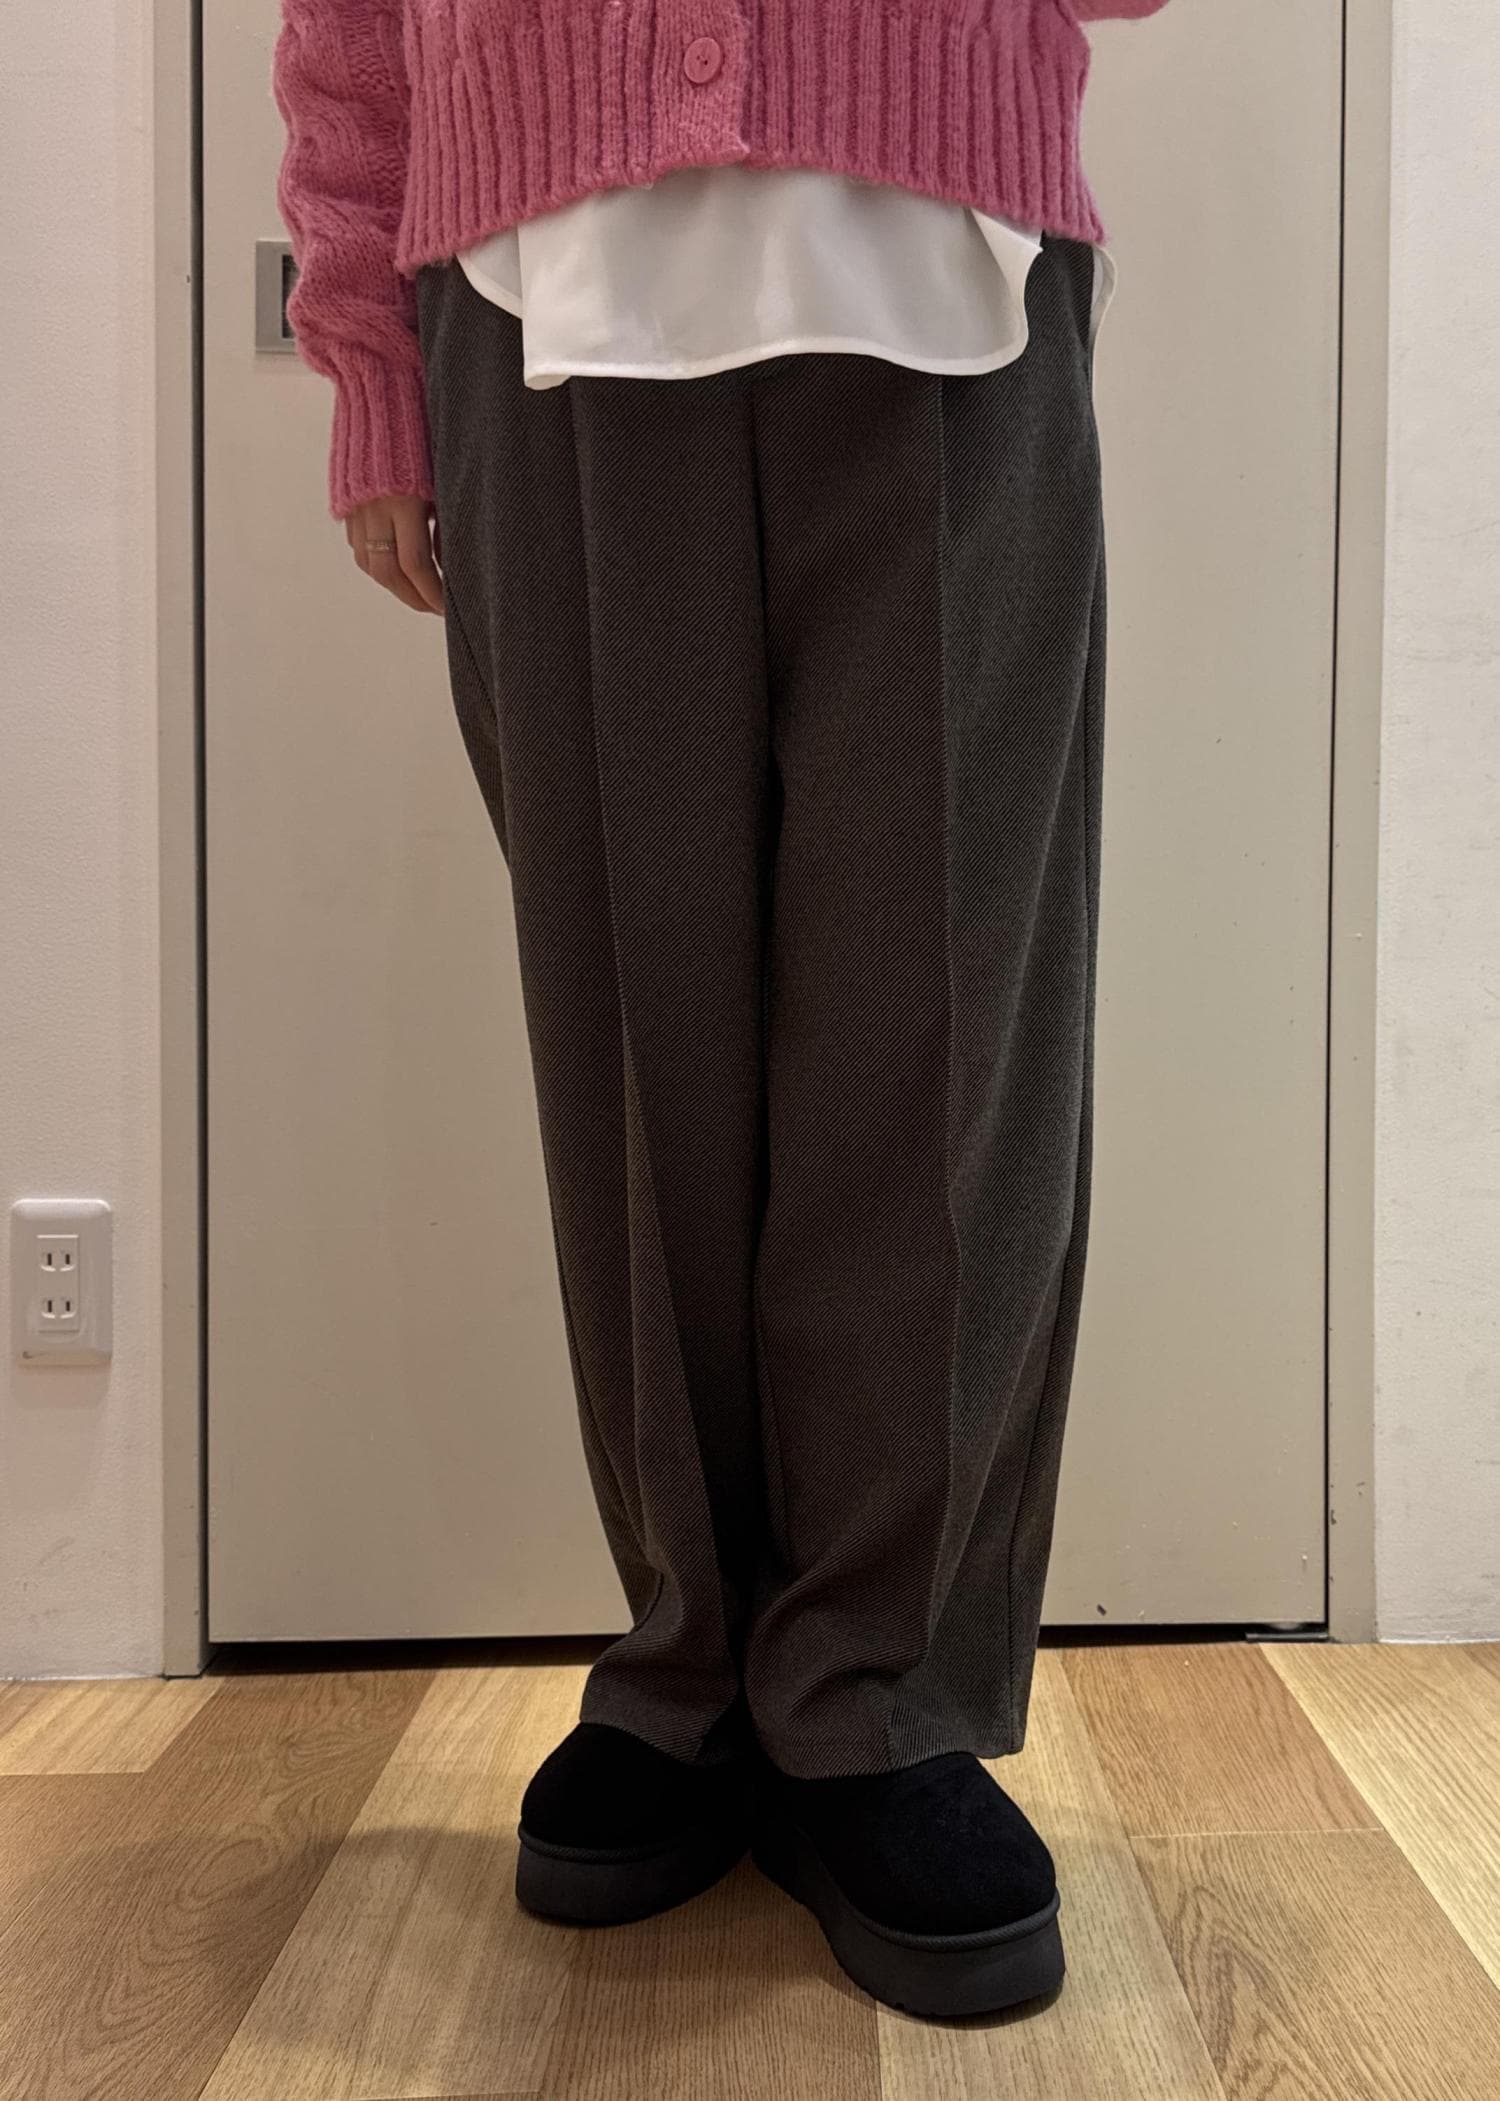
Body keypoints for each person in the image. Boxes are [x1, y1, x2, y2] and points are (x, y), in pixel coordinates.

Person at [274, 0, 1171, 2021]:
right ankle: (689, 1659)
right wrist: (370, 363)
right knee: (630, 1047)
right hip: (543, 303)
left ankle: (875, 1691)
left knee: (941, 1033)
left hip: (947, 285)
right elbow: (344, 24)